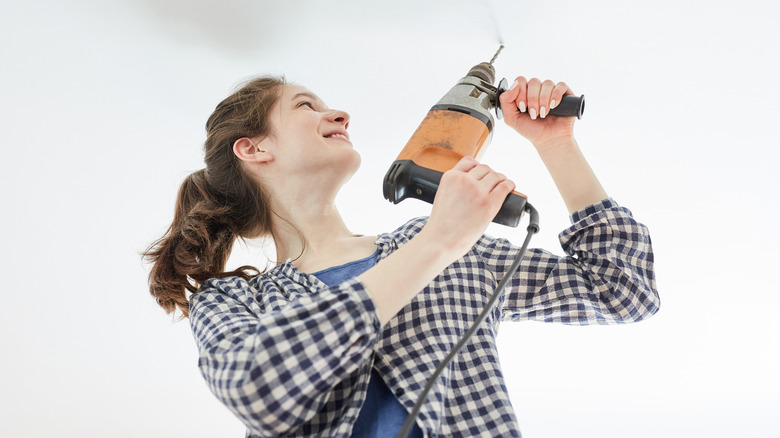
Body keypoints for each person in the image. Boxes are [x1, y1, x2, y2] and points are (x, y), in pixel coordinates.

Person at [143, 74, 659, 437]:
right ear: (253, 148)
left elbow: (623, 291)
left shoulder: (452, 246)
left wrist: (556, 144)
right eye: (305, 106)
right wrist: (437, 244)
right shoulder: (230, 299)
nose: (339, 114)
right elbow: (257, 389)